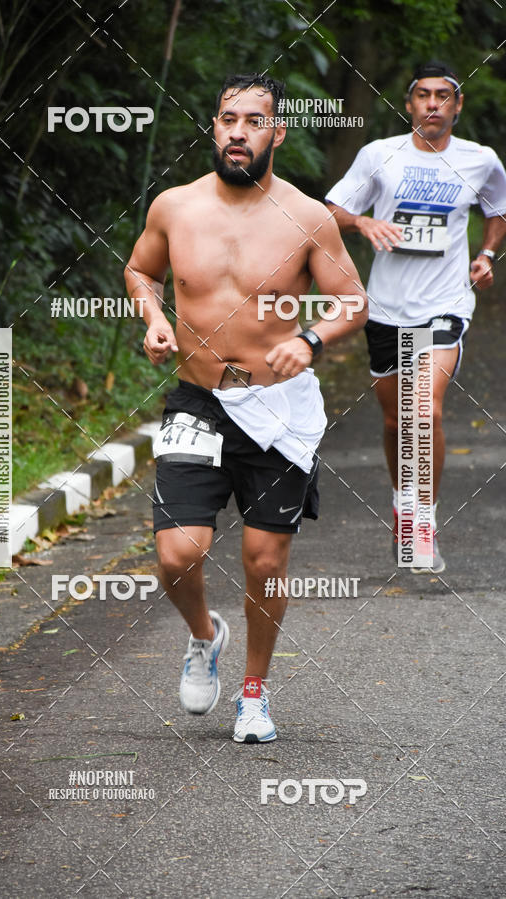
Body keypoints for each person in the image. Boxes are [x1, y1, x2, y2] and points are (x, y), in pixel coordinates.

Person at [124, 73, 367, 743]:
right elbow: (140, 270)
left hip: (279, 407)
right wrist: (152, 317)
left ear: (276, 133)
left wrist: (310, 339)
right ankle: (205, 636)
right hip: (199, 399)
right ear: (214, 126)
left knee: (265, 560)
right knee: (177, 554)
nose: (238, 130)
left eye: (253, 120)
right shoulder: (174, 206)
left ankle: (254, 693)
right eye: (228, 117)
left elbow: (352, 300)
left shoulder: (308, 216)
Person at [326, 61, 506, 574]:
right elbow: (332, 207)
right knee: (393, 419)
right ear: (408, 105)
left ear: (458, 105)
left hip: (446, 304)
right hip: (386, 307)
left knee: (423, 412)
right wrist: (363, 223)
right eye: (423, 95)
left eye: (443, 96)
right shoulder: (380, 155)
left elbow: (499, 210)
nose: (433, 104)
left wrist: (487, 255)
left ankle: (423, 518)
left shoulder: (480, 160)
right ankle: (402, 502)